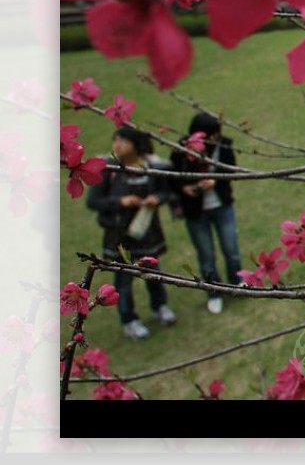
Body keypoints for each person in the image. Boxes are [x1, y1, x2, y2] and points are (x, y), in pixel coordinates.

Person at [86, 126, 176, 339]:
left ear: (136, 145)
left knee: (154, 273)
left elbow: (165, 191)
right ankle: (129, 319)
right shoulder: (107, 170)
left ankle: (160, 306)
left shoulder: (150, 166)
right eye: (115, 140)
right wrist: (120, 201)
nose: (117, 145)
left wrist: (158, 199)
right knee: (123, 280)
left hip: (146, 231)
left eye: (123, 141)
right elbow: (93, 201)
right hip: (119, 235)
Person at [171, 113, 243, 314]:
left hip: (221, 206)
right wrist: (184, 188)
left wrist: (216, 181)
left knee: (231, 249)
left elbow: (230, 170)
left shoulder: (224, 146)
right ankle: (214, 292)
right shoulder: (181, 149)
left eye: (216, 133)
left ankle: (237, 282)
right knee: (206, 255)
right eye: (211, 135)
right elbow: (172, 177)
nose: (215, 138)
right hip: (196, 211)